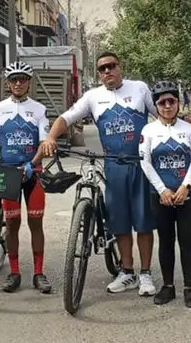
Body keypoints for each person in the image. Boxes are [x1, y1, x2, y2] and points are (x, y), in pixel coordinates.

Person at [37, 51, 159, 296]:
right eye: (102, 69)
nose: (107, 72)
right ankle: (127, 272)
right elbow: (66, 117)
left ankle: (146, 273)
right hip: (113, 166)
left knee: (144, 223)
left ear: (120, 66)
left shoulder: (139, 88)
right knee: (121, 223)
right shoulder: (93, 96)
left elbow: (162, 113)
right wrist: (51, 136)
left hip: (141, 164)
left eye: (111, 66)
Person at [0, 61, 52, 294]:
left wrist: (33, 164)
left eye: (23, 79)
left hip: (33, 172)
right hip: (7, 171)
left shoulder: (39, 109)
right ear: (8, 84)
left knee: (35, 223)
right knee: (12, 223)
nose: (19, 83)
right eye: (14, 79)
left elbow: (44, 143)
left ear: (29, 83)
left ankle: (38, 273)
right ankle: (14, 272)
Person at [139, 81, 191, 307]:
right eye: (162, 102)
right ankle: (168, 286)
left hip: (188, 196)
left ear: (177, 103)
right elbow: (145, 163)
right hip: (160, 196)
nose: (167, 106)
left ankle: (189, 287)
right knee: (166, 241)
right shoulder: (148, 131)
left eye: (171, 101)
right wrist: (162, 190)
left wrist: (186, 186)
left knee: (187, 241)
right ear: (156, 106)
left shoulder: (189, 130)